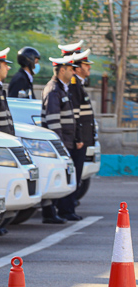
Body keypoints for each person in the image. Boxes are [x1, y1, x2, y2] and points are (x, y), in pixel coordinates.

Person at [42, 56, 82, 221]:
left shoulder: (62, 88)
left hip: (66, 142)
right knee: (55, 178)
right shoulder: (53, 90)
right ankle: (50, 213)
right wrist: (58, 145)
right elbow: (53, 120)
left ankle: (57, 212)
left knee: (62, 177)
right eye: (71, 69)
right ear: (62, 70)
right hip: (59, 144)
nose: (74, 71)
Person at [58, 43, 94, 221]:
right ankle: (67, 209)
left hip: (81, 139)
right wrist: (79, 137)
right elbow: (75, 116)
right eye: (86, 65)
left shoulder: (77, 84)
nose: (88, 68)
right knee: (73, 174)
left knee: (76, 174)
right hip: (76, 140)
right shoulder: (73, 85)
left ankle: (69, 207)